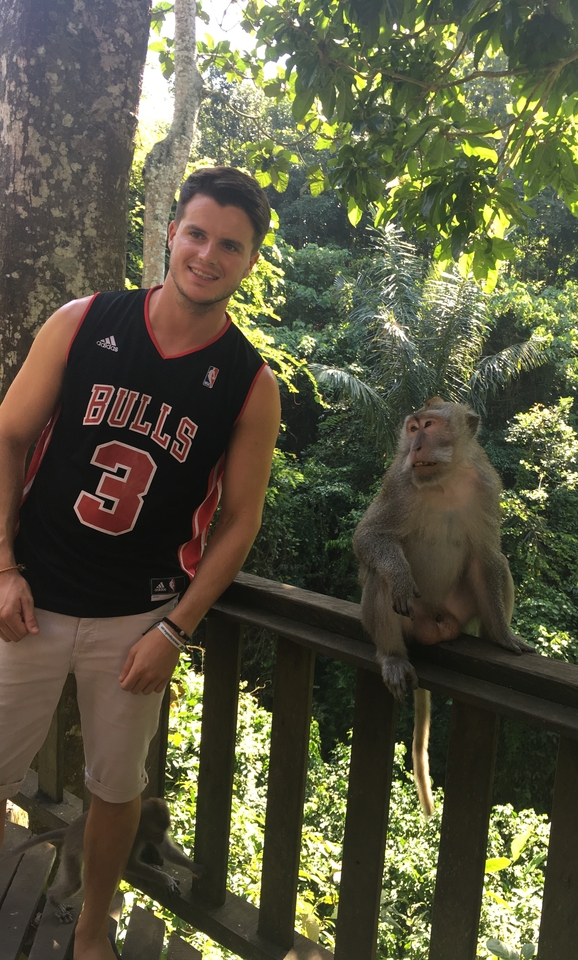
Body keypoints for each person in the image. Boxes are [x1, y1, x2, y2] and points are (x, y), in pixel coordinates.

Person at [0, 167, 281, 960]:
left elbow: (239, 521)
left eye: (231, 244)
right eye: (197, 234)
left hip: (137, 621)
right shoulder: (85, 322)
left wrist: (176, 627)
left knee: (115, 787)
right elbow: (9, 434)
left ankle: (93, 934)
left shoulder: (251, 386)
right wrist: (2, 564)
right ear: (170, 233)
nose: (208, 254)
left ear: (250, 260)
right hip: (32, 599)